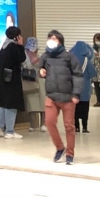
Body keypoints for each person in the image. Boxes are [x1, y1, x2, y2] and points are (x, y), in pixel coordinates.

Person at [39, 30, 83, 165]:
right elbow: (40, 67)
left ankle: (70, 153)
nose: (51, 41)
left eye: (54, 39)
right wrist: (41, 71)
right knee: (49, 122)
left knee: (69, 126)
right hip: (51, 96)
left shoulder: (69, 57)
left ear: (60, 41)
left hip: (68, 97)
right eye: (50, 38)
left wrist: (76, 93)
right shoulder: (45, 56)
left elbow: (78, 75)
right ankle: (60, 148)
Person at [0, 25, 26, 139]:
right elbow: (22, 58)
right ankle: (9, 131)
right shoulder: (13, 47)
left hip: (3, 79)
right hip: (12, 80)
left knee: (5, 103)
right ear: (16, 37)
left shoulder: (4, 47)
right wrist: (21, 46)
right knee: (12, 104)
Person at [22, 37, 47, 131]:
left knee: (43, 102)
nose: (34, 52)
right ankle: (32, 125)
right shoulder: (24, 56)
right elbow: (24, 67)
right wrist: (33, 62)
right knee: (31, 104)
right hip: (29, 81)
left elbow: (43, 67)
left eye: (35, 50)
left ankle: (43, 124)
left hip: (40, 80)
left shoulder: (39, 55)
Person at [70, 40, 95, 133]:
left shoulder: (71, 60)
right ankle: (84, 127)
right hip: (85, 87)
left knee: (74, 109)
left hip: (74, 86)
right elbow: (93, 73)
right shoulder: (86, 61)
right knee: (85, 108)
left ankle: (76, 127)